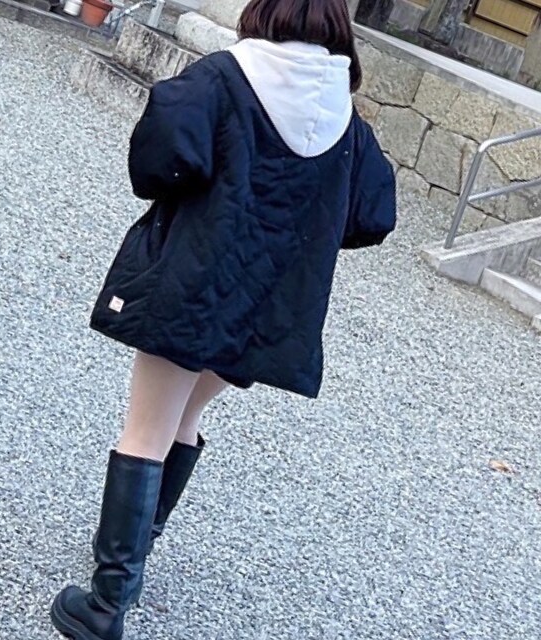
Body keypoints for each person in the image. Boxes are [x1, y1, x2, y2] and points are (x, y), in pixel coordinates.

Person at [50, 0, 396, 637]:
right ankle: (135, 551)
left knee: (146, 429)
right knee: (183, 418)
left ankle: (105, 604)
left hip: (192, 286)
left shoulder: (225, 77)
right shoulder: (348, 121)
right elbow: (373, 216)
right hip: (267, 309)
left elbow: (155, 163)